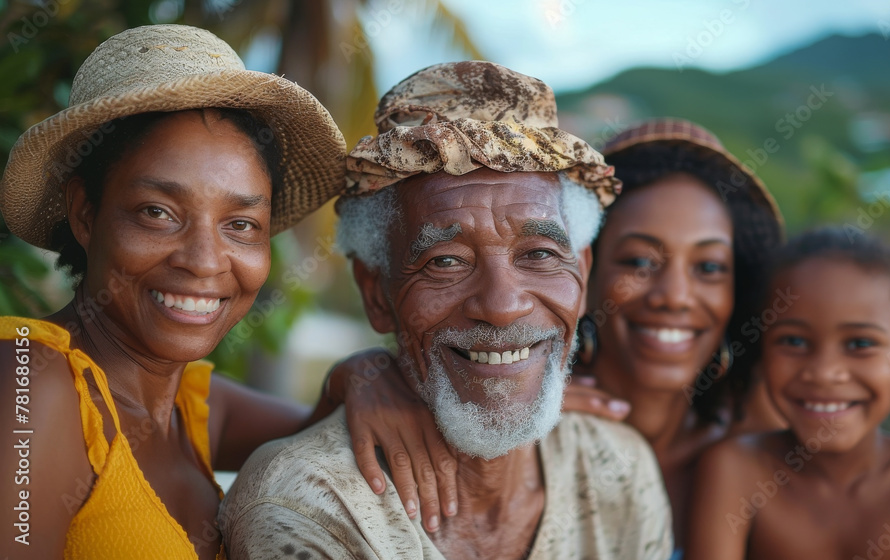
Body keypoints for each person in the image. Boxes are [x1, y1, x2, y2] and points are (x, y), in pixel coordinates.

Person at [218, 61, 672, 559]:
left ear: (582, 274)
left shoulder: (620, 469)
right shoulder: (306, 506)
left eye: (539, 254)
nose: (502, 306)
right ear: (375, 294)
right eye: (446, 262)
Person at [324, 119, 786, 551]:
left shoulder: (765, 441)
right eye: (639, 262)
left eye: (709, 267)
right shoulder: (497, 409)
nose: (675, 296)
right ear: (588, 270)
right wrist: (364, 376)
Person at [0, 25, 347, 559]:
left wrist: (365, 376)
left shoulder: (194, 407)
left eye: (240, 224)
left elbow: (334, 432)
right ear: (85, 214)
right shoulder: (31, 386)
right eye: (157, 213)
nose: (205, 261)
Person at [687, 228, 890, 560]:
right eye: (793, 341)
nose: (824, 372)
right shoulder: (736, 469)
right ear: (762, 352)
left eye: (859, 344)